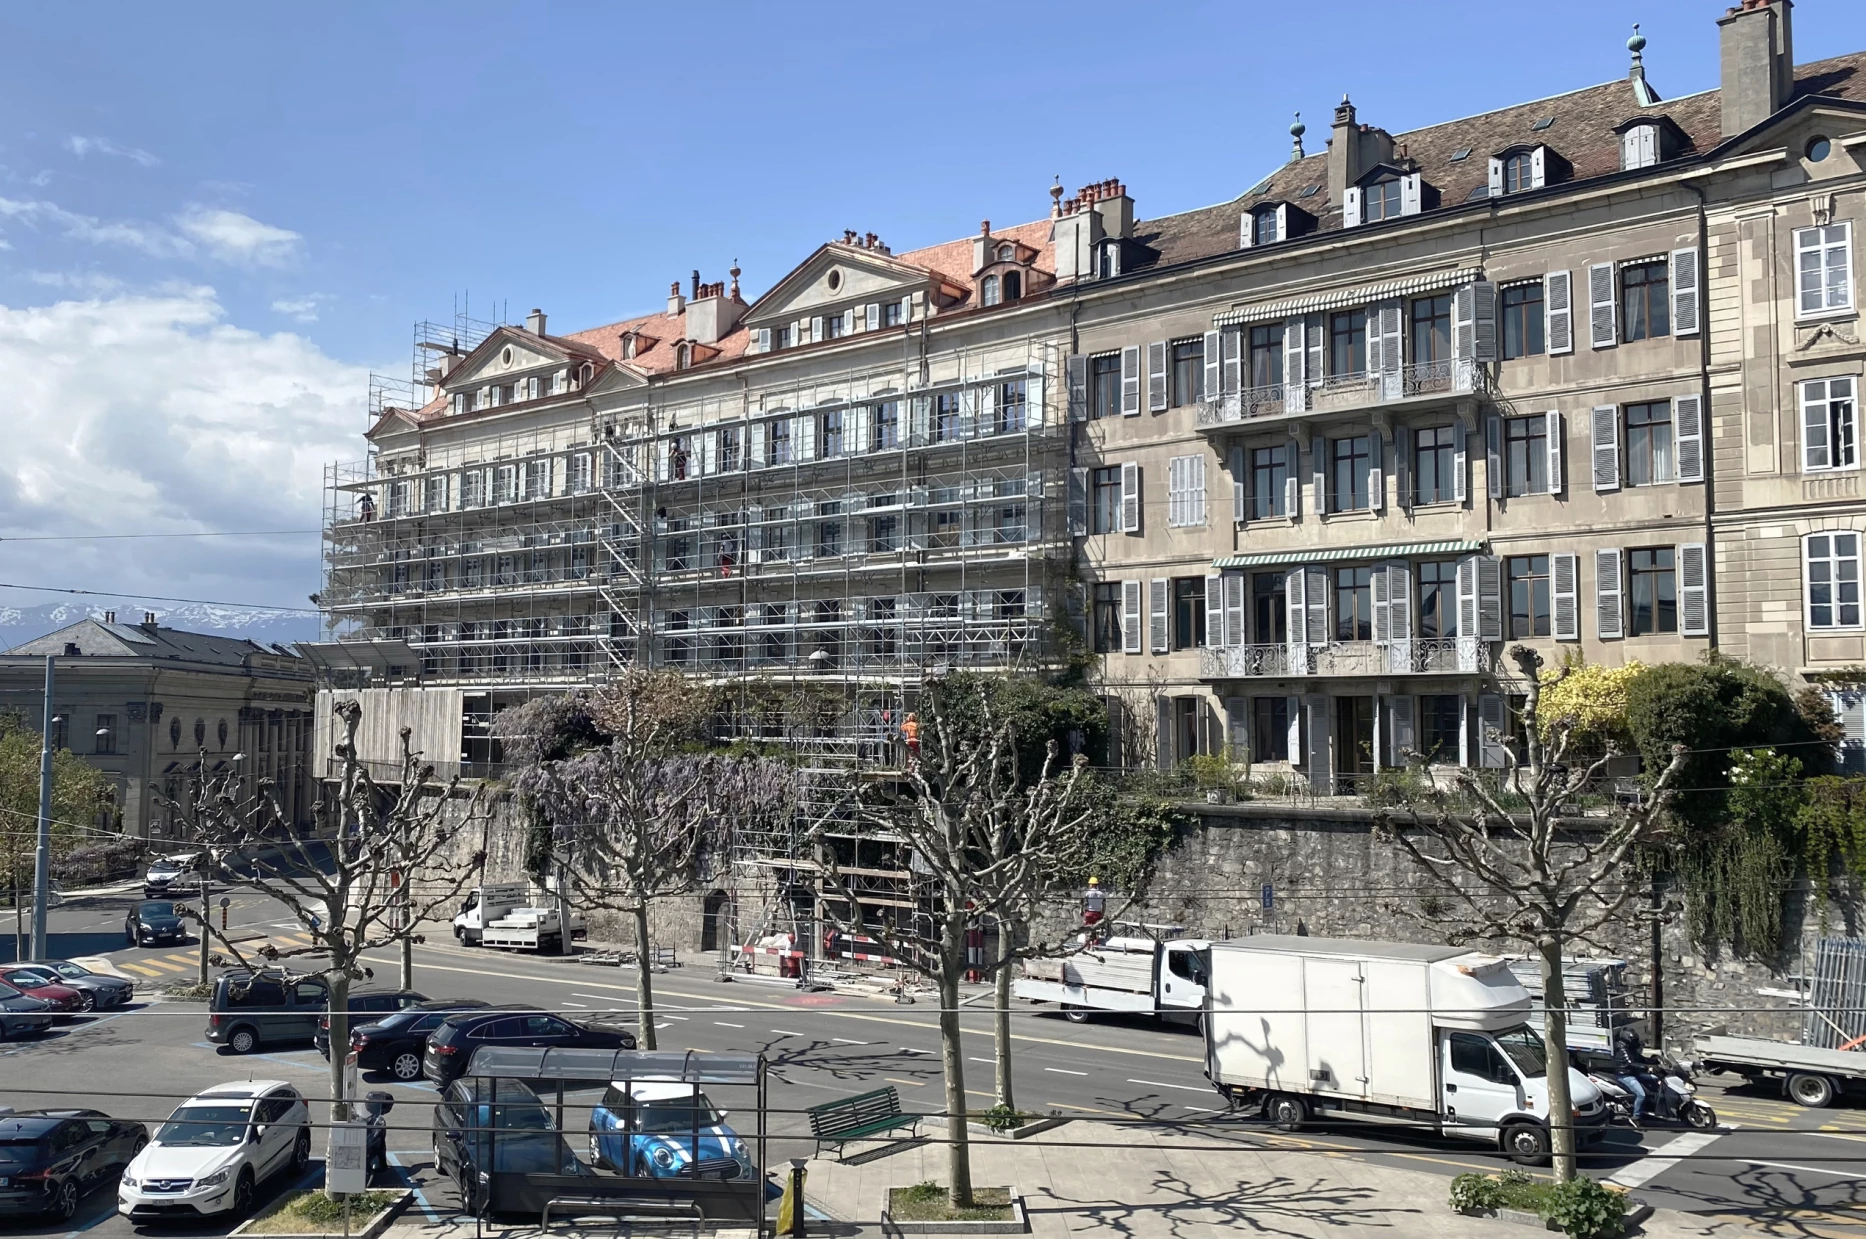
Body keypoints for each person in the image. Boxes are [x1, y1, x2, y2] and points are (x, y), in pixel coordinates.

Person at [1613, 1025, 1651, 1124]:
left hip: (1633, 1073)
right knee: (1641, 1095)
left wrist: (1654, 1061)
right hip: (1625, 1075)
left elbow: (1639, 1058)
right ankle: (1635, 1116)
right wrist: (1646, 1068)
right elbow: (1630, 1063)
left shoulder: (1629, 1048)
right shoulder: (1622, 1049)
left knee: (1655, 1078)